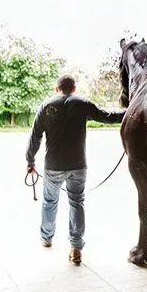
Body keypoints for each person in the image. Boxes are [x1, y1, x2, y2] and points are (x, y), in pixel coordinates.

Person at [26, 75, 125, 265]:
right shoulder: (83, 104)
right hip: (78, 165)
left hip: (53, 165)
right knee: (77, 202)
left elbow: (35, 136)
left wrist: (30, 161)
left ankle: (46, 238)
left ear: (57, 89)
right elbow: (106, 117)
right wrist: (130, 111)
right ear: (74, 88)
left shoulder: (46, 106)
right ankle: (76, 248)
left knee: (49, 201)